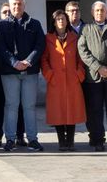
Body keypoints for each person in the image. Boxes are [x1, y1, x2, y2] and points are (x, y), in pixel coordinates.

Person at [0, 0, 44, 152]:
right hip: (9, 71)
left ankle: (32, 139)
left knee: (29, 106)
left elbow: (39, 45)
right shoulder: (2, 25)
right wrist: (14, 62)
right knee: (11, 105)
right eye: (14, 4)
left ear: (24, 5)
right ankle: (10, 139)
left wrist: (28, 61)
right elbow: (1, 47)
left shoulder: (35, 24)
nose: (17, 7)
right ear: (10, 6)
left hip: (30, 72)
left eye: (20, 4)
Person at [78, 0, 107, 152]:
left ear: (106, 12)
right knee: (94, 111)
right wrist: (98, 67)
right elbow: (82, 50)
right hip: (93, 78)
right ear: (92, 12)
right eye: (97, 10)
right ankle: (98, 140)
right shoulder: (86, 29)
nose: (100, 13)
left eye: (102, 10)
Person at [42, 9, 85, 151]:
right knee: (58, 111)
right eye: (58, 19)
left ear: (67, 21)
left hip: (72, 80)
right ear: (53, 22)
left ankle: (71, 141)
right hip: (56, 81)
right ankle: (61, 141)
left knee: (71, 111)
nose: (61, 21)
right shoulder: (48, 38)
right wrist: (49, 74)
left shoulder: (75, 37)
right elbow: (44, 59)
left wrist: (79, 74)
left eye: (63, 19)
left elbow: (80, 58)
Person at [0, 1, 21, 147]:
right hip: (0, 72)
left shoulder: (18, 28)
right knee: (0, 105)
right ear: (0, 14)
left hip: (17, 72)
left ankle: (20, 135)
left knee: (18, 105)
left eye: (9, 12)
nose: (8, 14)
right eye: (4, 12)